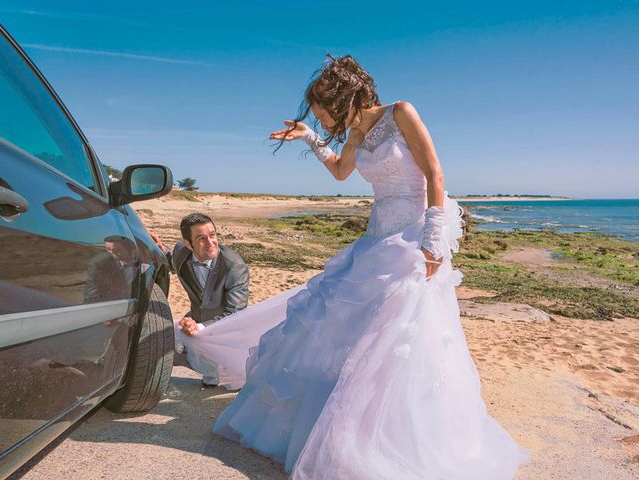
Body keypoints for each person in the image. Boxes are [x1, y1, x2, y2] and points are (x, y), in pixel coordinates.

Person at [183, 55, 529, 478]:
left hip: (414, 238)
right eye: (318, 118)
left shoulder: (400, 112)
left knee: (399, 335)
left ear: (342, 97)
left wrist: (434, 242)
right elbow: (340, 173)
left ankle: (392, 432)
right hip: (376, 237)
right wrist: (310, 137)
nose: (324, 120)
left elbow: (435, 175)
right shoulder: (354, 135)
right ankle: (336, 424)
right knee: (341, 326)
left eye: (322, 113)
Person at [152, 213, 249, 386]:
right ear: (188, 244)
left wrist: (200, 327)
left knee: (236, 380)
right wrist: (162, 249)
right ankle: (209, 370)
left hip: (226, 328)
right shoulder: (181, 251)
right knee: (164, 344)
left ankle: (222, 371)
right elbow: (174, 264)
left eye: (212, 235)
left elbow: (235, 312)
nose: (211, 243)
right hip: (197, 316)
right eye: (201, 239)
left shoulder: (234, 267)